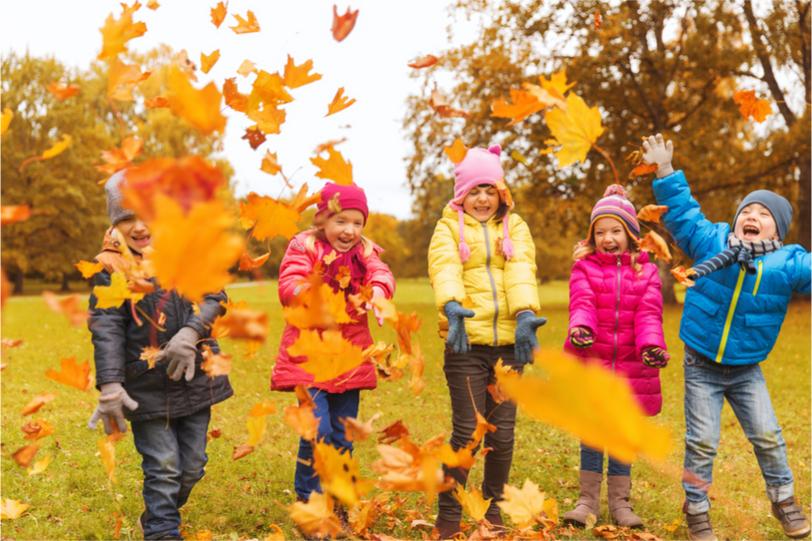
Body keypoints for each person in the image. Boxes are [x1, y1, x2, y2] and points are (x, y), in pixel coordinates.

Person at [644, 133, 811, 541]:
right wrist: (665, 171)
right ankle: (697, 510)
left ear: (780, 228)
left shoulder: (787, 263)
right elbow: (683, 215)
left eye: (763, 213)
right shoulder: (713, 242)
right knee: (702, 442)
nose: (752, 215)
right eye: (747, 210)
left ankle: (784, 500)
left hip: (746, 369)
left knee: (768, 436)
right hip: (701, 365)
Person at [88, 171, 233, 540]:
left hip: (193, 378)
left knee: (192, 467)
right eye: (126, 218)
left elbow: (214, 296)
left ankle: (158, 514)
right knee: (164, 467)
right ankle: (162, 531)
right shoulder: (110, 271)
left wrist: (190, 331)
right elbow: (106, 329)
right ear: (114, 224)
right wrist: (111, 385)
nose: (139, 226)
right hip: (144, 385)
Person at [427, 144, 546, 539]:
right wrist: (452, 306)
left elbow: (521, 271)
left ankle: (493, 508)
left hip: (510, 347)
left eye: (489, 190)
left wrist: (526, 314)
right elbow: (444, 267)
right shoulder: (448, 228)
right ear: (461, 195)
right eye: (474, 191)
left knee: (503, 433)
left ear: (501, 193)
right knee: (467, 433)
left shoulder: (516, 228)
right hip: (466, 347)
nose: (482, 199)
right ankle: (448, 512)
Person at [271, 182, 395, 510]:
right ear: (323, 220)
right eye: (341, 221)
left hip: (349, 356)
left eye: (357, 222)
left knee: (343, 434)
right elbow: (290, 282)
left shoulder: (366, 251)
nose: (349, 230)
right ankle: (310, 500)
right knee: (318, 430)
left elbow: (381, 273)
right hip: (309, 354)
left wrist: (379, 293)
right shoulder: (305, 246)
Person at [561, 184, 669, 529]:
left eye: (616, 230)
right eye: (601, 231)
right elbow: (582, 303)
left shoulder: (646, 272)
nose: (608, 238)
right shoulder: (585, 269)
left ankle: (621, 502)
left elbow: (649, 313)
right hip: (594, 360)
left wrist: (652, 346)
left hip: (630, 365)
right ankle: (587, 501)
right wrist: (581, 328)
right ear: (593, 237)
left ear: (631, 234)